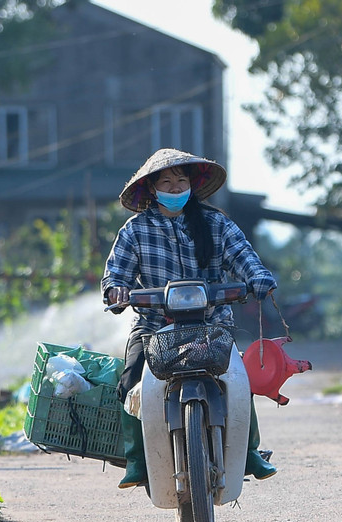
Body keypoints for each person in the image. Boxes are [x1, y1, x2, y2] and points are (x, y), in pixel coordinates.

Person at [102, 148, 279, 490]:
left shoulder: (216, 223)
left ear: (192, 185)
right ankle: (137, 458)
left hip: (211, 325)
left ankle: (249, 453)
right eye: (166, 181)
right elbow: (114, 275)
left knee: (238, 379)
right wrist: (115, 291)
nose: (174, 187)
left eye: (181, 180)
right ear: (152, 189)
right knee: (129, 382)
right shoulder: (134, 230)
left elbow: (244, 257)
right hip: (155, 328)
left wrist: (259, 278)